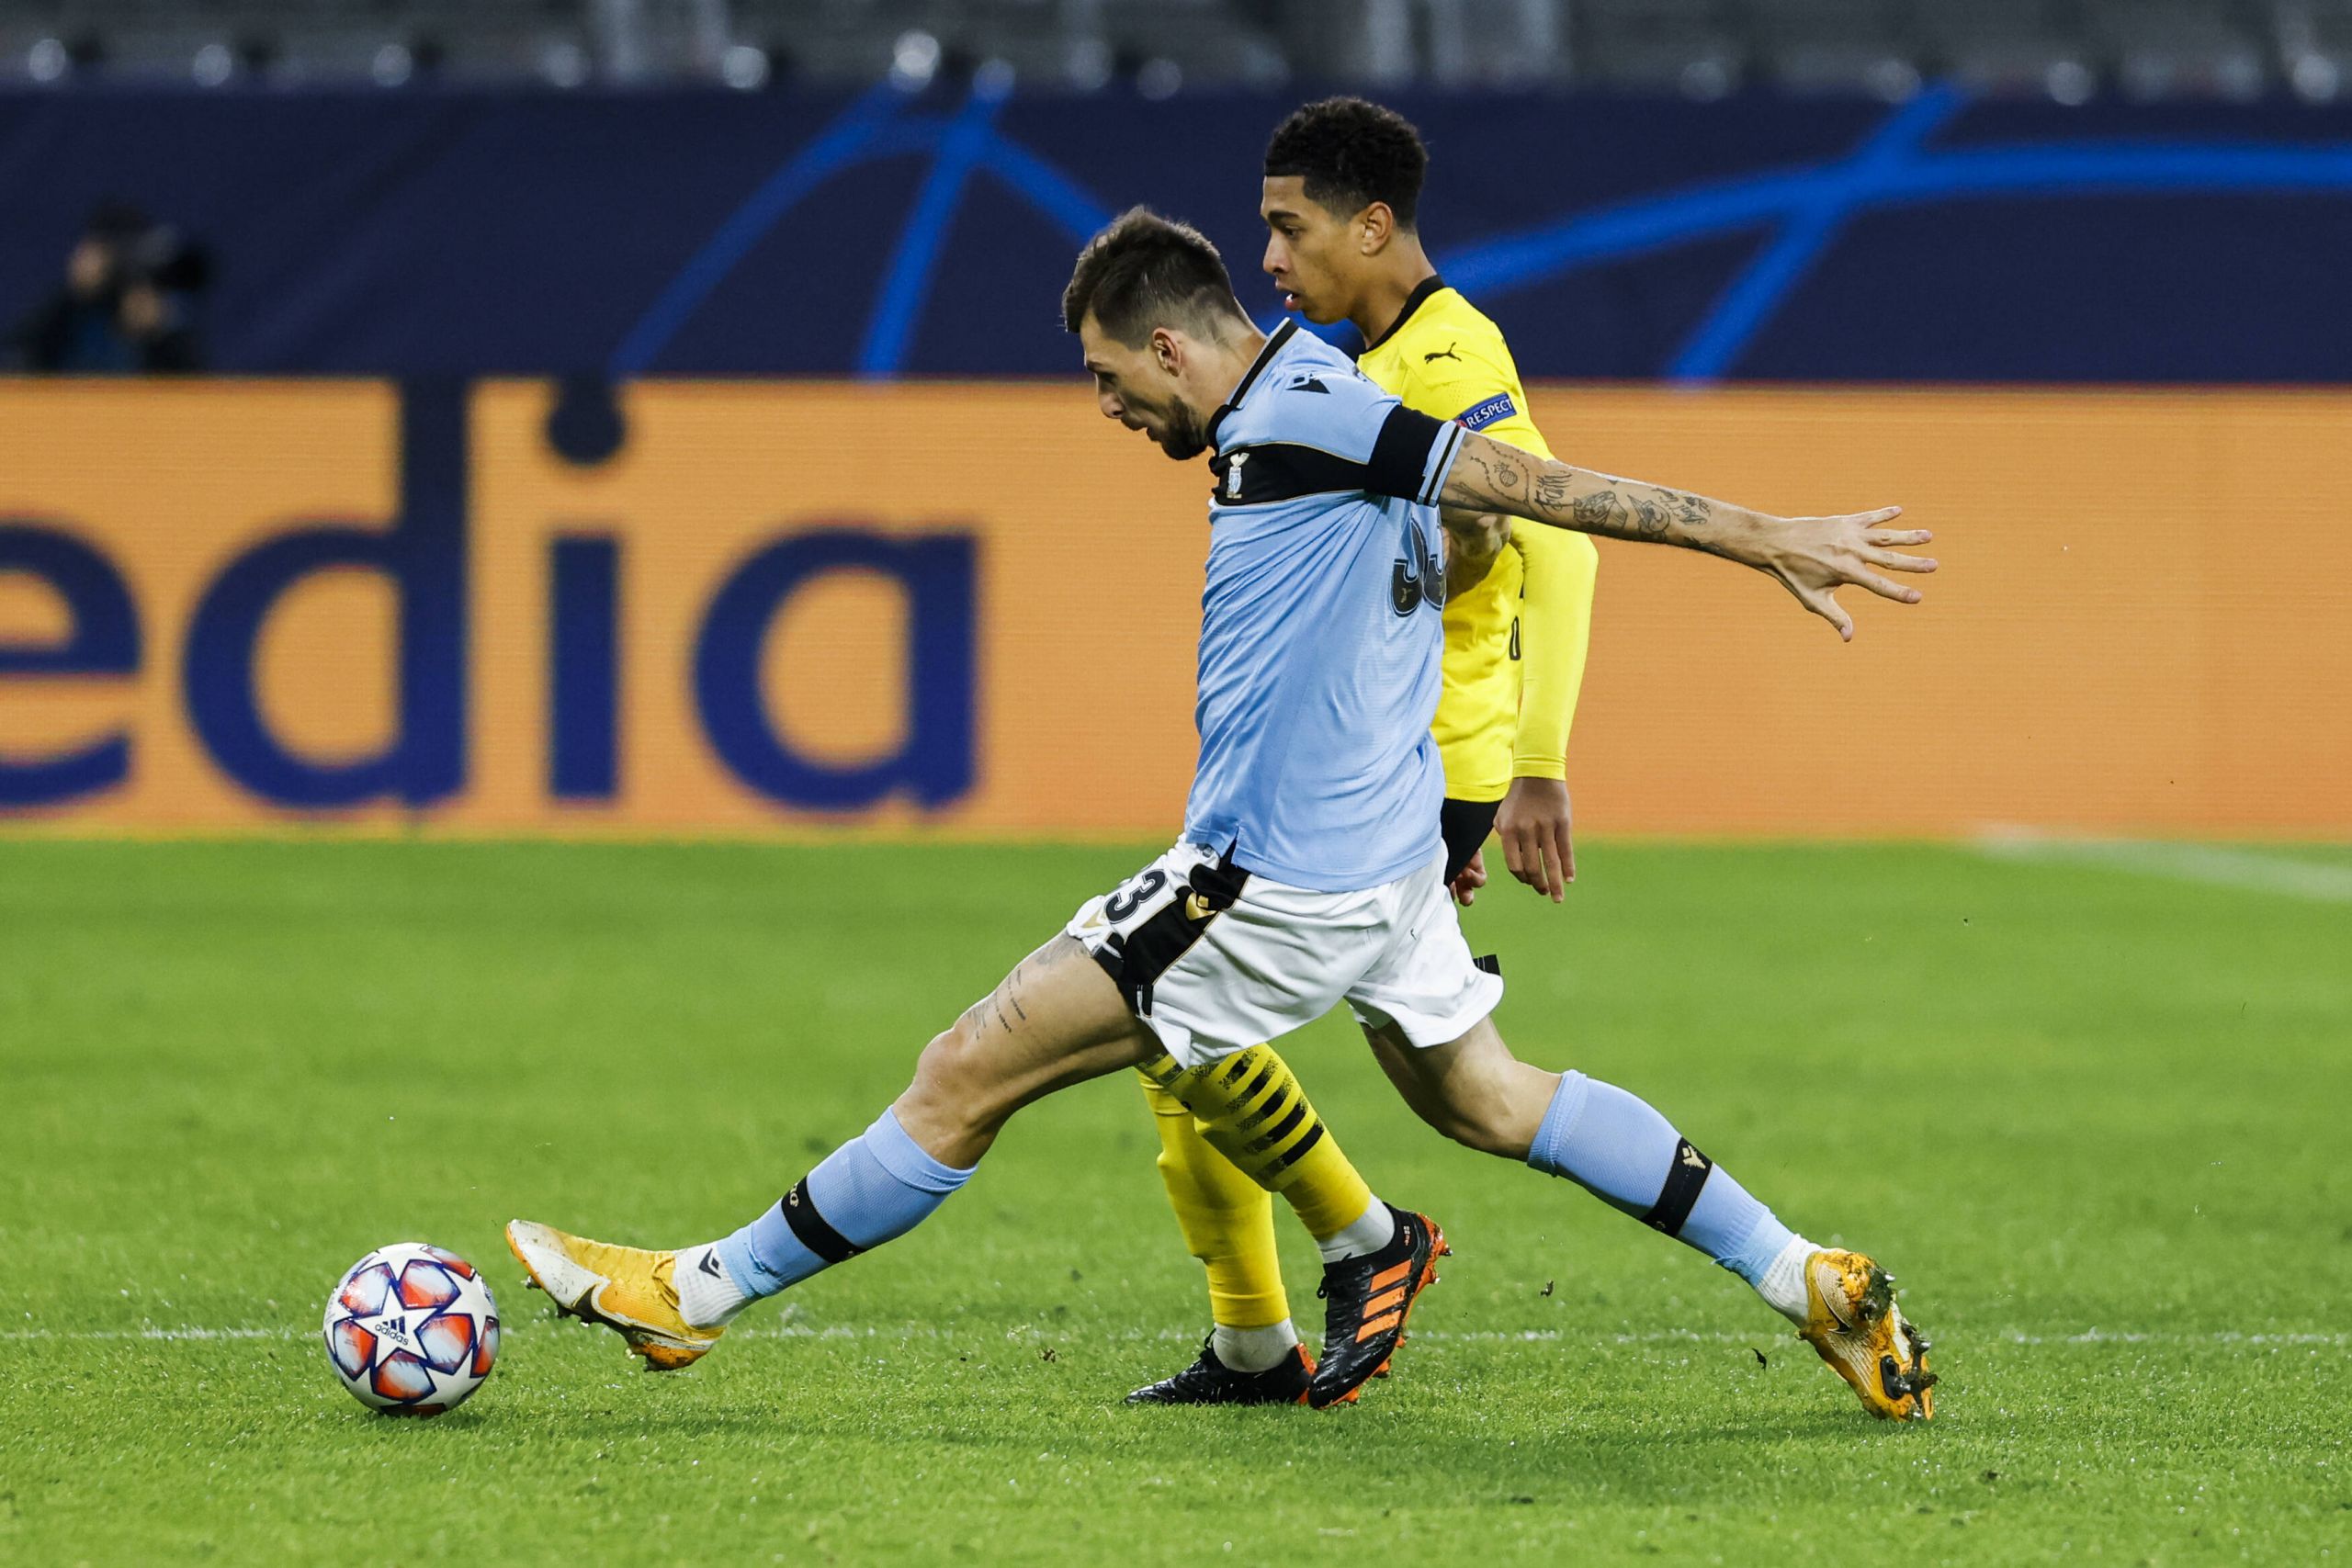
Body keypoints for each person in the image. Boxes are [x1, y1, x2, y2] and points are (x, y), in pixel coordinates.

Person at [505, 208, 1939, 1418]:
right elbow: (1469, 526)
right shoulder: (1295, 411)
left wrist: (1768, 537)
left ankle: (692, 1290)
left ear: (1173, 344)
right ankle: (1800, 1269)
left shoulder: (1318, 406)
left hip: (1271, 884)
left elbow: (1541, 490)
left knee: (963, 1072)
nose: (1111, 407)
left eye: (1109, 374)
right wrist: (1445, 555)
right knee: (1498, 1097)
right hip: (1376, 877)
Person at [1125, 96, 1605, 1408]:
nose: (1268, 259)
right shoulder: (1370, 360)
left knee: (1176, 1009)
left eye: (1288, 228)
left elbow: (1559, 538)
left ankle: (1346, 1263)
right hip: (1381, 757)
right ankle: (1262, 1332)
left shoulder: (1448, 365)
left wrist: (1534, 764)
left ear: (1372, 224)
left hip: (1416, 767)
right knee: (1469, 1094)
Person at [6, 201, 206, 374]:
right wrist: (74, 295)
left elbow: (195, 391)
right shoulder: (71, 307)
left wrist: (158, 334)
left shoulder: (159, 320)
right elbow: (19, 352)